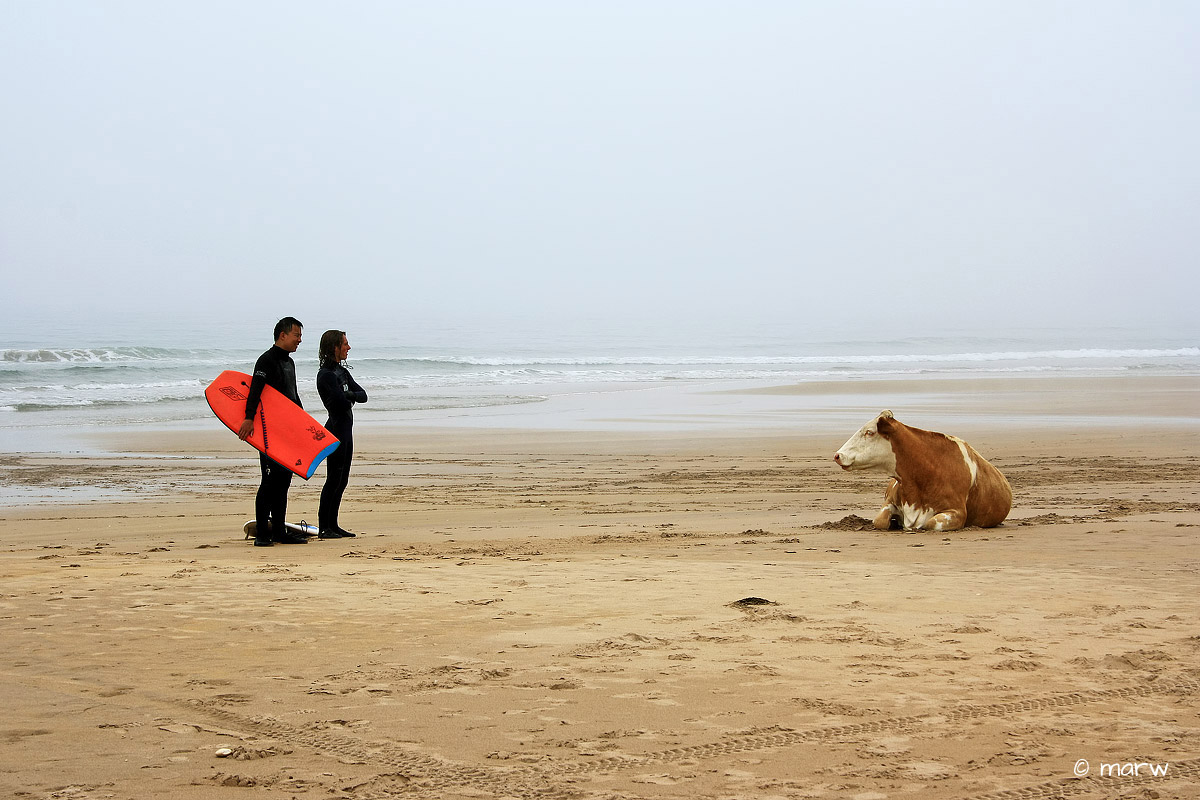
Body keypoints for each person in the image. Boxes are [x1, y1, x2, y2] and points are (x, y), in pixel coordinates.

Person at [240, 317, 308, 547]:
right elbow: (255, 391)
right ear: (283, 335)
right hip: (270, 432)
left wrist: (302, 422)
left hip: (287, 430)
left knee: (284, 481)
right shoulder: (266, 360)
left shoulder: (289, 362)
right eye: (297, 335)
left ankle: (279, 531)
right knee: (269, 482)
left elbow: (292, 396)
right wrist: (248, 418)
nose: (299, 340)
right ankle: (262, 533)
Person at [316, 329, 368, 539]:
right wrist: (349, 396)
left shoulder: (342, 372)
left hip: (346, 430)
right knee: (333, 479)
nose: (348, 347)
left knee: (342, 479)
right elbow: (341, 402)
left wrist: (348, 394)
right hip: (336, 430)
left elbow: (363, 395)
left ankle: (333, 524)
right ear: (334, 347)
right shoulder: (326, 375)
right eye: (345, 344)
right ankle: (324, 527)